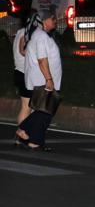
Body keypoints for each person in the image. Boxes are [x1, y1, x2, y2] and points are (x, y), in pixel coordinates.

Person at [18, 8, 61, 150]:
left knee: (43, 111)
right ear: (46, 21)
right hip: (43, 81)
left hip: (42, 80)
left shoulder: (40, 35)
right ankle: (29, 136)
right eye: (53, 19)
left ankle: (31, 139)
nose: (55, 21)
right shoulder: (41, 36)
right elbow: (42, 60)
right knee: (45, 112)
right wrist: (49, 79)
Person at [12, 11, 34, 145]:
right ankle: (21, 133)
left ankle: (23, 133)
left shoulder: (21, 32)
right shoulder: (25, 33)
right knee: (26, 107)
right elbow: (23, 51)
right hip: (23, 73)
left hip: (21, 73)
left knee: (28, 106)